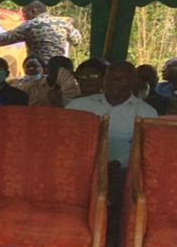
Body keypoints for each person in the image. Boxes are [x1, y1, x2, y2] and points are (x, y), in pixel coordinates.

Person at [67, 61, 157, 224]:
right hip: (80, 167)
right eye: (111, 78)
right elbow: (64, 140)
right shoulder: (79, 106)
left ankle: (111, 232)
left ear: (132, 82)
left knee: (119, 181)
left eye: (121, 79)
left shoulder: (146, 113)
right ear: (104, 80)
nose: (114, 82)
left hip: (121, 173)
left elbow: (149, 153)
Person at [0, 0, 81, 64]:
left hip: (38, 70)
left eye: (25, 13)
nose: (24, 17)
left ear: (33, 11)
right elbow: (77, 41)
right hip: (60, 69)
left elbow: (0, 40)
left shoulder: (29, 26)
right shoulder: (63, 23)